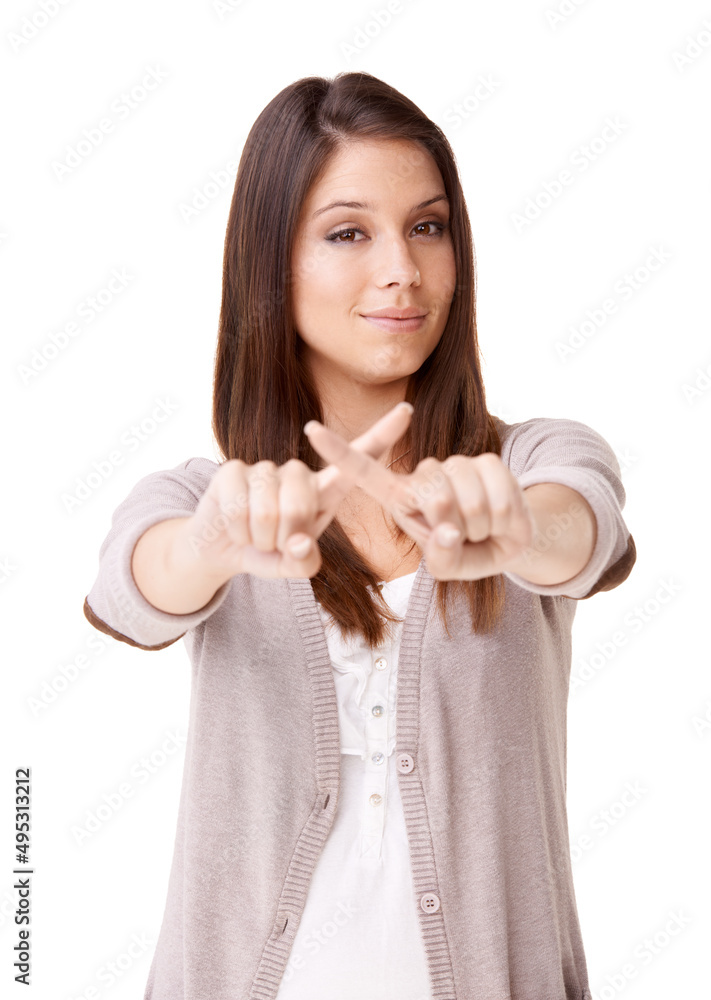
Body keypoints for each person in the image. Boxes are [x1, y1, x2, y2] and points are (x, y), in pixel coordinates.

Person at [83, 71, 636, 1000]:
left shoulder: (536, 458)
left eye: (428, 226)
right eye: (349, 233)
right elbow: (131, 591)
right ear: (271, 266)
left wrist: (511, 528)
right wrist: (216, 542)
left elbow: (585, 535)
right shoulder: (208, 498)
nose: (403, 271)